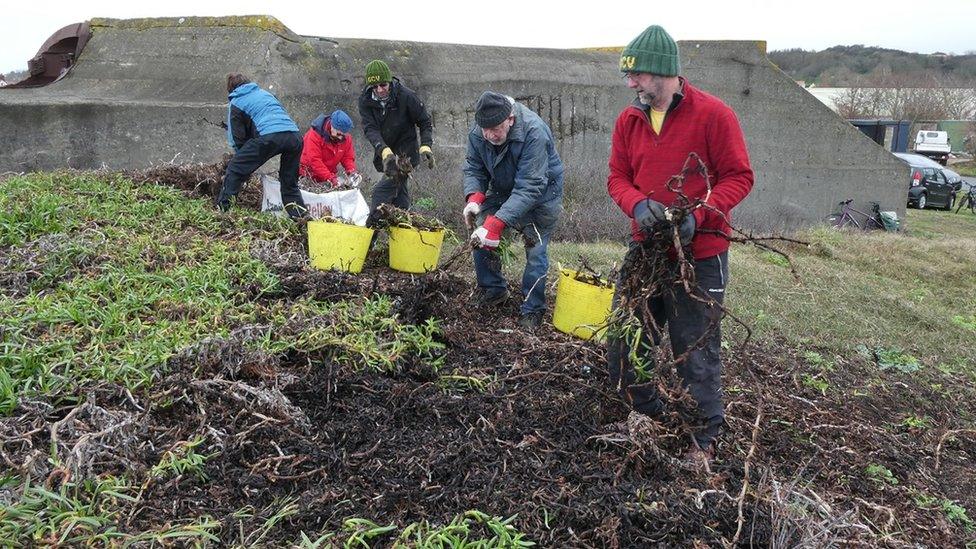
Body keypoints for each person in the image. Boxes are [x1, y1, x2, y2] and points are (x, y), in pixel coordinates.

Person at [605, 25, 754, 467]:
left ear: (664, 72)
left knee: (697, 348)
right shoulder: (629, 119)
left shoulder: (714, 115)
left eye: (638, 76)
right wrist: (637, 205)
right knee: (626, 338)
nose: (630, 84)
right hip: (646, 252)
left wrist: (699, 214)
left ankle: (702, 440)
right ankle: (643, 413)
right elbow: (617, 177)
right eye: (628, 76)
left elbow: (739, 177)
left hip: (699, 256)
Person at [463, 91, 564, 330]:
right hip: (502, 190)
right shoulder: (481, 130)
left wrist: (496, 224)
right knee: (482, 236)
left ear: (510, 118)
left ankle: (533, 309)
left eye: (496, 128)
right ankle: (493, 290)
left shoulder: (533, 131)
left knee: (535, 249)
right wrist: (474, 199)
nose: (489, 135)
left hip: (541, 194)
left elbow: (530, 186)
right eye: (485, 129)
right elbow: (474, 167)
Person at [217, 73, 306, 218]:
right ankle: (300, 217)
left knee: (234, 169)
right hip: (294, 136)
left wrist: (242, 161)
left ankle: (223, 212)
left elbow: (236, 137)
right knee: (289, 183)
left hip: (270, 136)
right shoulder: (265, 94)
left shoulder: (237, 101)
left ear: (231, 89)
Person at [357, 60, 434, 222]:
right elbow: (370, 129)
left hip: (406, 154)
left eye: (383, 85)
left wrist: (426, 145)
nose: (380, 90)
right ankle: (404, 231)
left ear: (390, 82)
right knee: (400, 198)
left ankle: (371, 234)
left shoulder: (406, 96)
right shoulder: (365, 101)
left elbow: (425, 122)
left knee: (380, 192)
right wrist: (384, 151)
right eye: (375, 86)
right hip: (386, 152)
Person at [299, 109, 361, 189]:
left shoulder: (345, 138)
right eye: (338, 134)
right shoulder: (314, 136)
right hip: (307, 176)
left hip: (328, 177)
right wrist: (331, 178)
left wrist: (352, 172)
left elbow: (347, 158)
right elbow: (315, 161)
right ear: (332, 125)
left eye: (343, 135)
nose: (341, 137)